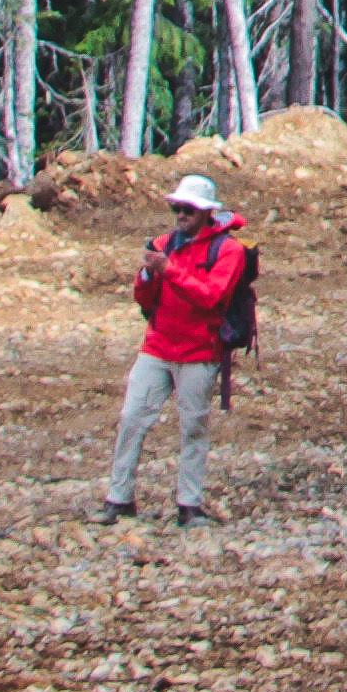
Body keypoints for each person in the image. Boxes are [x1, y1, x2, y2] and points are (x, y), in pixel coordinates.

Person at [99, 173, 256, 525]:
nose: (181, 215)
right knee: (131, 420)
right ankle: (119, 498)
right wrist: (147, 276)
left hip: (200, 352)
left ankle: (189, 505)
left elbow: (212, 297)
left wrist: (169, 271)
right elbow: (144, 299)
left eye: (188, 209)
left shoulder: (228, 251)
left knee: (193, 427)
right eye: (177, 208)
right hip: (157, 346)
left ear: (205, 212)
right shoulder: (163, 244)